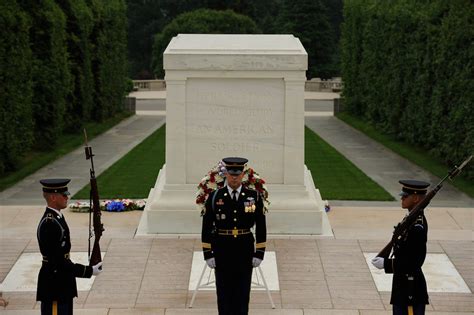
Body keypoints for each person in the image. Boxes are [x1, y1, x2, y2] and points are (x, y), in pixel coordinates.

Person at [201, 157, 267, 315]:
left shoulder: (253, 196)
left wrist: (259, 252)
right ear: (226, 175)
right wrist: (208, 253)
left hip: (244, 248)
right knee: (224, 291)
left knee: (243, 291)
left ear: (243, 174)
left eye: (238, 174)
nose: (234, 177)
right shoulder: (215, 197)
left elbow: (261, 226)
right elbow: (207, 227)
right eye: (231, 174)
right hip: (222, 248)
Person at [37, 178, 103, 315]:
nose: (67, 197)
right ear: (53, 197)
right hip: (54, 286)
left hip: (61, 283)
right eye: (64, 195)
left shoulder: (57, 218)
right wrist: (88, 271)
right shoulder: (50, 224)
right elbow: (59, 262)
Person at [372, 179, 430, 315]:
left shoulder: (417, 227)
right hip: (403, 286)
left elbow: (415, 262)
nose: (402, 198)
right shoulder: (410, 219)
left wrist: (387, 264)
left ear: (415, 198)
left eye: (405, 196)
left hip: (411, 289)